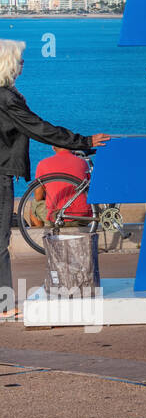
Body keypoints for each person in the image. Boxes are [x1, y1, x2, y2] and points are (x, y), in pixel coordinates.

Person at [0, 40, 110, 320]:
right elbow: (39, 129)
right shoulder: (6, 99)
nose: (23, 64)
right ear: (8, 63)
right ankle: (3, 304)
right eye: (20, 60)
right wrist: (82, 141)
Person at [26, 147, 92, 227]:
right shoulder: (83, 162)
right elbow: (89, 189)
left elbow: (38, 197)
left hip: (57, 217)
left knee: (35, 204)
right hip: (83, 217)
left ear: (53, 147)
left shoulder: (43, 163)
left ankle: (38, 235)